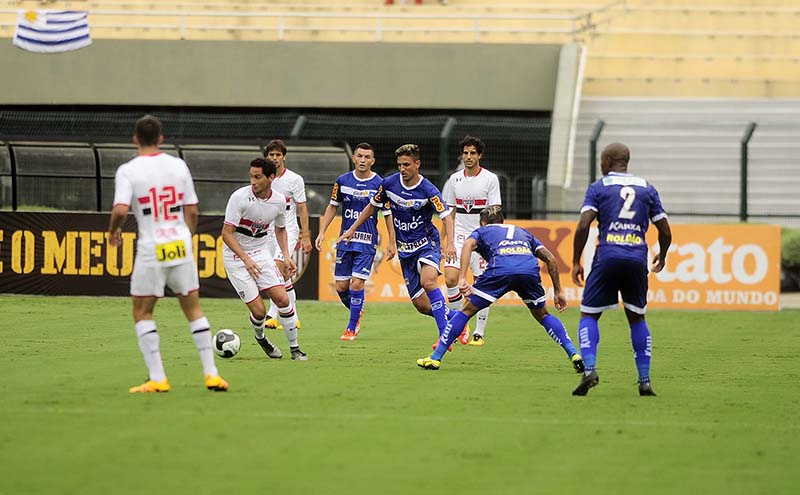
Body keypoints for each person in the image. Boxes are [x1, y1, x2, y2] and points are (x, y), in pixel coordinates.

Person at [108, 115, 228, 393]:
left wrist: (113, 231)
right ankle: (211, 374)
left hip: (151, 246)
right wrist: (188, 235)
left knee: (142, 311)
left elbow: (120, 209)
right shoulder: (178, 165)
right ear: (161, 138)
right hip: (180, 243)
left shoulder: (129, 170)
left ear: (135, 139)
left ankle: (158, 378)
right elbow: (193, 210)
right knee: (193, 309)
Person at [417, 206, 584, 372]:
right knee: (544, 315)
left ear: (483, 222)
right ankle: (573, 353)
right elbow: (550, 258)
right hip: (528, 270)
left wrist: (462, 278)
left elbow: (468, 244)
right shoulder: (522, 232)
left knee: (466, 311)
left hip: (501, 269)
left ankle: (435, 358)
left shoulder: (482, 231)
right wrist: (558, 291)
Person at [571, 142, 672, 396]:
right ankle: (645, 380)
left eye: (601, 160)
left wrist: (575, 261)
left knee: (589, 315)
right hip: (637, 257)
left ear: (606, 160)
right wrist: (663, 253)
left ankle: (590, 369)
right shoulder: (647, 188)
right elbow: (665, 230)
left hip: (607, 255)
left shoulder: (598, 187)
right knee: (637, 317)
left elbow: (583, 225)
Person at [339, 143, 462, 345]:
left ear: (417, 164)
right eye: (399, 165)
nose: (402, 169)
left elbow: (447, 217)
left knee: (429, 281)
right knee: (421, 305)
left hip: (427, 244)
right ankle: (456, 320)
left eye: (406, 164)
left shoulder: (428, 189)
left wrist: (449, 244)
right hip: (406, 251)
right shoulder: (388, 184)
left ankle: (444, 336)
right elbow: (371, 208)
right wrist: (352, 229)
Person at [221, 158, 308, 361]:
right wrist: (245, 259)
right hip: (236, 257)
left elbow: (280, 228)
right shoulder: (239, 198)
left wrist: (287, 256)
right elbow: (226, 234)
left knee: (283, 299)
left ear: (271, 177)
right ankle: (261, 338)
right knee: (259, 312)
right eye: (251, 176)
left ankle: (295, 349)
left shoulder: (279, 201)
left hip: (260, 254)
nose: (253, 181)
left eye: (258, 177)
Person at [315, 142, 397, 341]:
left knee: (357, 284)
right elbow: (332, 206)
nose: (362, 160)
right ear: (353, 158)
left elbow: (387, 214)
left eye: (367, 157)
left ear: (373, 160)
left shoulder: (380, 184)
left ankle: (351, 327)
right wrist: (322, 232)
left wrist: (392, 242)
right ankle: (356, 311)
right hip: (345, 240)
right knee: (342, 287)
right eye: (359, 156)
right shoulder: (343, 181)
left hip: (367, 240)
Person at [441, 136, 501, 347]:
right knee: (450, 279)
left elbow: (494, 213)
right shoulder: (454, 180)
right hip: (458, 236)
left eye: (472, 153)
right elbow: (447, 213)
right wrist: (444, 240)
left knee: (481, 285)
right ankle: (461, 326)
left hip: (482, 238)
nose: (468, 157)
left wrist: (490, 240)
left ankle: (479, 332)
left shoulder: (490, 179)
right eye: (465, 153)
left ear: (479, 155)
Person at [262, 139, 313, 331]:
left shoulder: (294, 179)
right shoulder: (264, 178)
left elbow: (302, 208)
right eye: (271, 155)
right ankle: (294, 317)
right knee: (282, 275)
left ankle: (272, 314)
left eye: (278, 155)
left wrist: (305, 235)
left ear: (284, 156)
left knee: (277, 268)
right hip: (266, 232)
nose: (275, 158)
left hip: (288, 231)